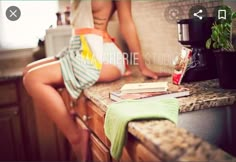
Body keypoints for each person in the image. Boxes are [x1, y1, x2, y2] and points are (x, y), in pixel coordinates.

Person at [23, 0, 171, 160]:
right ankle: (72, 117)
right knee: (28, 71)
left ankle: (76, 138)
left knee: (33, 79)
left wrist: (142, 66)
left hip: (101, 57)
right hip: (81, 50)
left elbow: (127, 24)